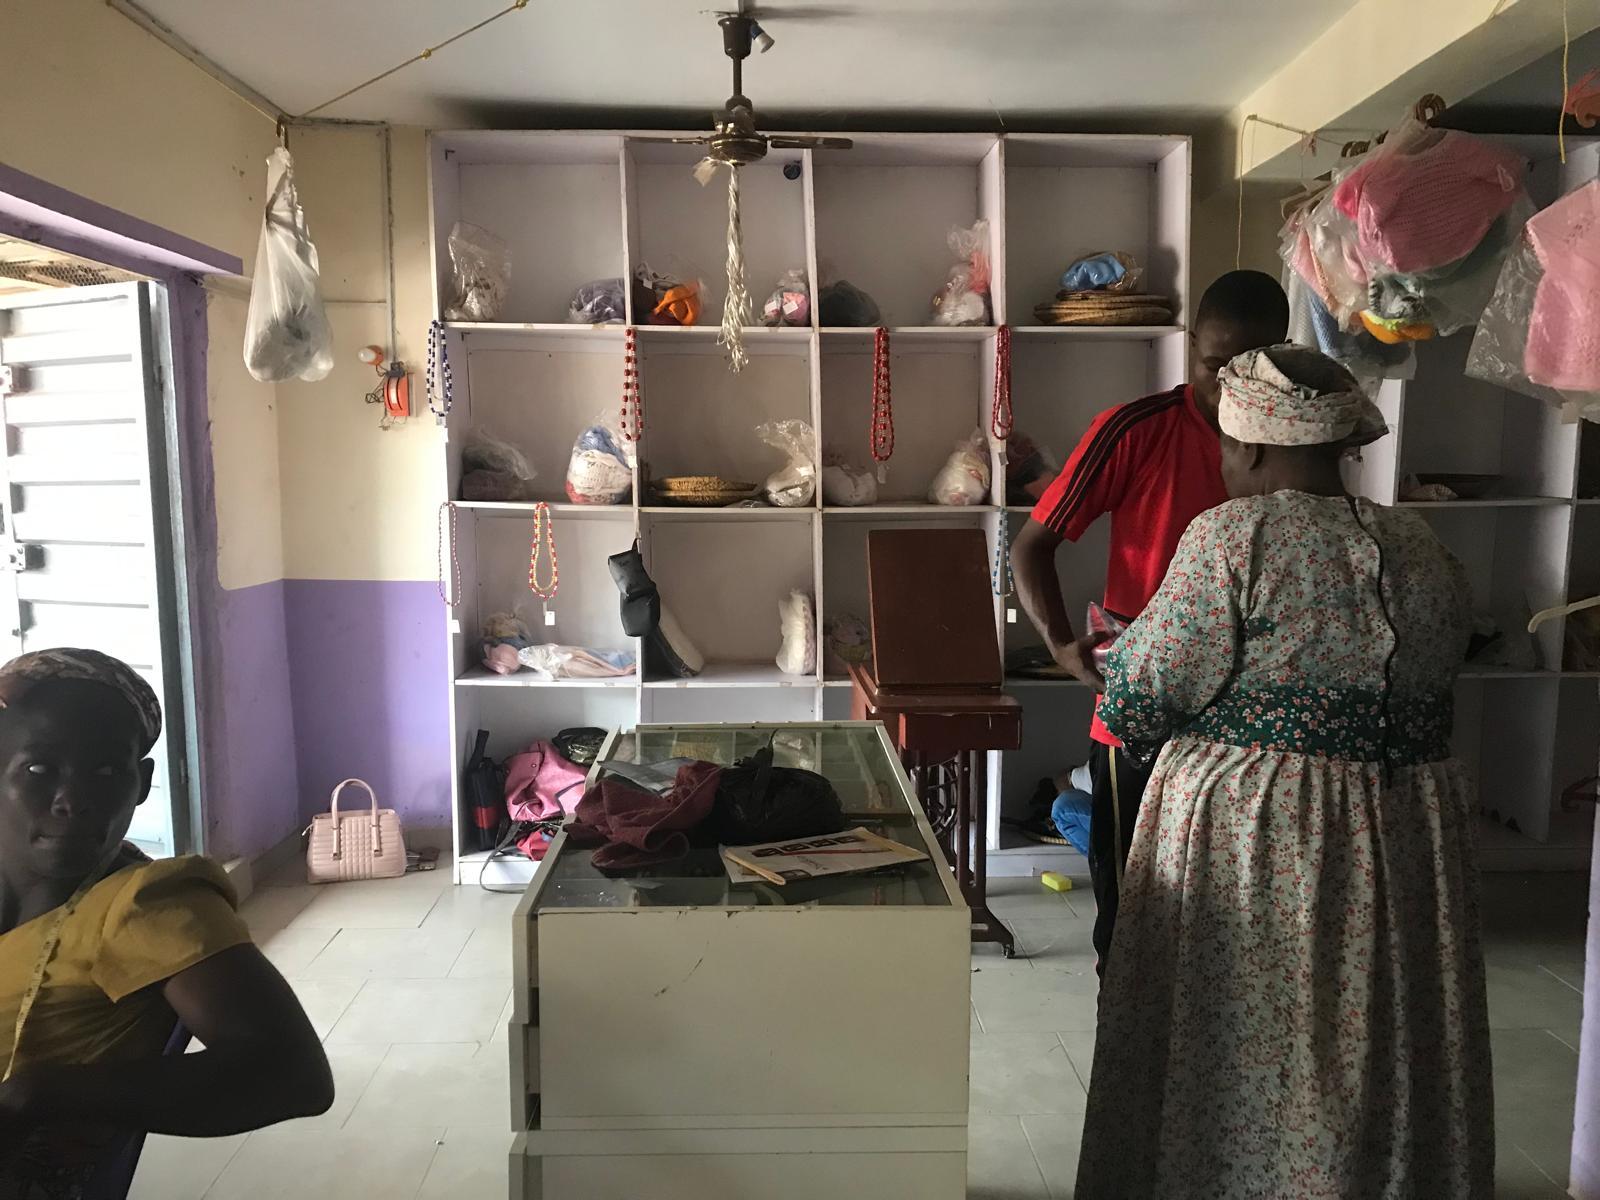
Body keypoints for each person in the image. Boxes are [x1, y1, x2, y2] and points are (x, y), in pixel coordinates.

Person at [1074, 345, 1492, 1197]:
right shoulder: (1423, 546)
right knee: (1378, 1027)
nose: (1226, 464)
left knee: (1254, 1033)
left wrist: (1122, 665)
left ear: (1255, 447)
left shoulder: (1234, 537)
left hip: (1261, 841)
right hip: (1405, 837)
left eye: (1229, 449)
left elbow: (1143, 693)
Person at [1012, 269, 1289, 974]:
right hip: (1144, 702)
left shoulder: (1290, 448)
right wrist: (1061, 646)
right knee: (1133, 905)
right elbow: (1034, 544)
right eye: (1214, 365)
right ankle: (1125, 1049)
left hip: (1251, 710)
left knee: (1232, 911)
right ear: (1190, 345)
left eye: (1251, 367)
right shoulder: (1137, 430)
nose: (1231, 384)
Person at [0, 648, 333, 1198]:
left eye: (108, 771)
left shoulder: (147, 905)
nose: (74, 800)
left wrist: (37, 1095)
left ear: (143, 780)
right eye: (39, 769)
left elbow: (290, 1074)